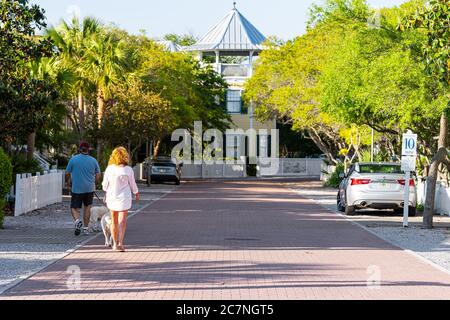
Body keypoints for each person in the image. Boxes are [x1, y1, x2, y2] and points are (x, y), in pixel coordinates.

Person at [102, 147, 139, 252]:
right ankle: (120, 243)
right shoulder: (128, 169)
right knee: (122, 220)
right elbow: (132, 184)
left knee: (114, 221)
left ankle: (114, 244)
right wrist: (136, 193)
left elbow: (104, 186)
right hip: (124, 197)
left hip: (112, 196)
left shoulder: (109, 169)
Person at [66, 142, 101, 236]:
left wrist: (68, 181)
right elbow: (98, 175)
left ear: (79, 149)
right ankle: (85, 229)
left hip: (77, 188)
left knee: (74, 208)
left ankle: (77, 221)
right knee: (87, 208)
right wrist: (94, 183)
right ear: (88, 149)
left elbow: (67, 173)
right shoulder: (93, 160)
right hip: (89, 188)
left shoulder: (73, 159)